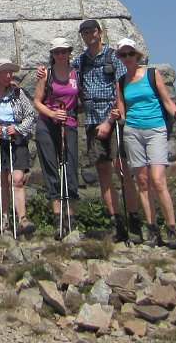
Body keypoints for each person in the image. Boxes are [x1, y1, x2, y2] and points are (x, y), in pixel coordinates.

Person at [113, 38, 176, 249]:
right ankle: (152, 228)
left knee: (158, 180)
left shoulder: (152, 74)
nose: (127, 58)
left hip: (155, 128)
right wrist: (118, 116)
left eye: (130, 53)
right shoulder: (121, 81)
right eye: (123, 55)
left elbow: (165, 99)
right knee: (143, 182)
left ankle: (171, 228)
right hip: (132, 131)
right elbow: (122, 111)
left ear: (137, 55)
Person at [75, 19, 141, 243]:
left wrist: (109, 121)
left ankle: (134, 222)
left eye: (92, 31)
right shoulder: (81, 60)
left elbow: (121, 88)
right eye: (84, 32)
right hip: (91, 120)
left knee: (121, 169)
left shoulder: (114, 56)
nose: (89, 35)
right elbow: (62, 72)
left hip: (112, 119)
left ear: (100, 33)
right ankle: (116, 222)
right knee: (103, 172)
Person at [0, 58, 36, 236]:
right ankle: (4, 217)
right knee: (1, 180)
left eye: (10, 72)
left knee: (17, 178)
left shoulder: (18, 93)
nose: (8, 75)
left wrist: (18, 129)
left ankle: (22, 219)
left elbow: (29, 115)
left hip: (16, 139)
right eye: (5, 72)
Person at [33, 37, 81, 239]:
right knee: (51, 168)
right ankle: (57, 218)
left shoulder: (76, 74)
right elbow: (37, 101)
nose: (60, 55)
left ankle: (71, 217)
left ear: (69, 52)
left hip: (68, 124)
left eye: (63, 51)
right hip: (47, 124)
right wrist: (52, 114)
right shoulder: (47, 75)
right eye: (56, 52)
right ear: (52, 54)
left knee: (70, 169)